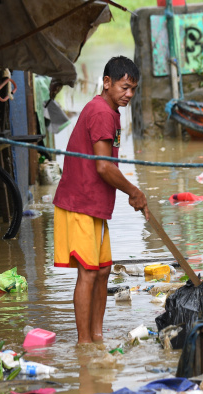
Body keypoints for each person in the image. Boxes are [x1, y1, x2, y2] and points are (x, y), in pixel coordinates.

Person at [53, 56, 148, 344]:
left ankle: (97, 337)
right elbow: (104, 166)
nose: (129, 94)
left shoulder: (109, 111)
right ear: (107, 83)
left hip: (94, 205)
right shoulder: (100, 112)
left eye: (133, 89)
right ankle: (85, 344)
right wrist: (134, 191)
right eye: (124, 87)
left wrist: (132, 191)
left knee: (103, 270)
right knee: (88, 272)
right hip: (79, 203)